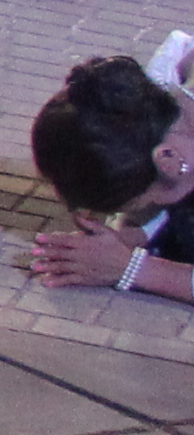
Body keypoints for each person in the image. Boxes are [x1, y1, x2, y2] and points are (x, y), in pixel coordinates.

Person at [26, 38, 194, 301]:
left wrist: (132, 268)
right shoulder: (162, 112)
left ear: (169, 162)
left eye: (144, 201)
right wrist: (134, 235)